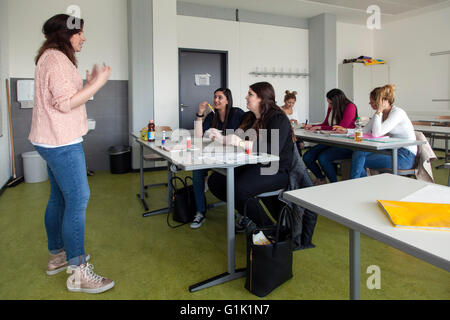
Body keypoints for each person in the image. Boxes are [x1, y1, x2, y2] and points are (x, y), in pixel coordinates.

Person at [29, 14, 114, 294]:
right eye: (80, 34)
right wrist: (98, 83)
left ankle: (58, 256)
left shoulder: (52, 58)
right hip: (61, 141)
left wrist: (85, 86)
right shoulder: (56, 58)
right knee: (78, 198)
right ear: (66, 33)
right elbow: (65, 104)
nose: (84, 38)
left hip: (51, 138)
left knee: (59, 198)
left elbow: (64, 97)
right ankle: (78, 273)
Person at [207, 82, 294, 229]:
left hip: (275, 169)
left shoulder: (277, 118)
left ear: (261, 98)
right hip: (253, 164)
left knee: (239, 189)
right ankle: (248, 213)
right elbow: (237, 138)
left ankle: (267, 227)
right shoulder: (250, 117)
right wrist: (219, 136)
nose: (246, 97)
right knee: (215, 181)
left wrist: (240, 143)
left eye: (250, 94)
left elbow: (273, 149)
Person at [334, 85, 417, 179]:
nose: (369, 103)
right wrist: (346, 131)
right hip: (390, 149)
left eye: (373, 101)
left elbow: (377, 133)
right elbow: (365, 130)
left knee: (358, 160)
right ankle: (363, 184)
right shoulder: (380, 113)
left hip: (404, 156)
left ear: (383, 101)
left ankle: (356, 184)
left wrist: (379, 111)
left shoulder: (397, 113)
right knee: (359, 153)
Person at [190, 88, 244, 229]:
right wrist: (200, 114)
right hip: (214, 154)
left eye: (220, 97)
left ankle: (241, 212)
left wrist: (222, 138)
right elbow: (198, 136)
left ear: (227, 100)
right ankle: (200, 211)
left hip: (234, 156)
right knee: (197, 172)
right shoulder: (211, 116)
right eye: (215, 97)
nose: (216, 100)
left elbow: (243, 135)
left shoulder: (236, 113)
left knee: (233, 178)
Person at [303, 89, 357, 184]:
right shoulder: (331, 107)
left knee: (323, 158)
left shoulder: (350, 107)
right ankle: (321, 178)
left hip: (346, 143)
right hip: (331, 141)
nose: (329, 106)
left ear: (337, 102)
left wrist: (320, 127)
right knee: (307, 156)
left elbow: (341, 127)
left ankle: (334, 183)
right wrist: (313, 126)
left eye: (331, 103)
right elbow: (325, 123)